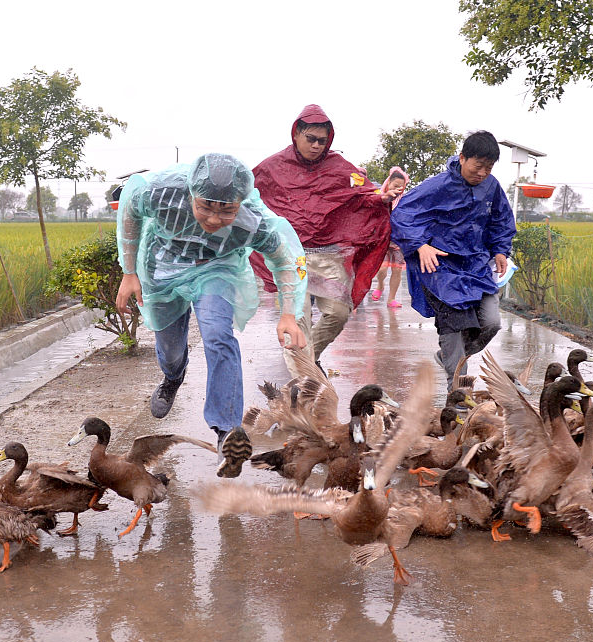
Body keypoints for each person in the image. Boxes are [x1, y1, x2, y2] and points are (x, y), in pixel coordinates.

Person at [115, 153, 308, 477]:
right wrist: (129, 271)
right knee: (171, 350)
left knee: (219, 336)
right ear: (191, 194)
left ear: (240, 203)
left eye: (226, 209)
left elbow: (285, 260)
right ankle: (172, 378)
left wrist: (288, 314)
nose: (215, 219)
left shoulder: (251, 221)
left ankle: (227, 430)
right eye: (205, 206)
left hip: (215, 270)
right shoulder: (161, 194)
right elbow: (130, 210)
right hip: (162, 268)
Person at [251, 104, 399, 374]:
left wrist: (382, 197)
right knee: (298, 320)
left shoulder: (339, 168)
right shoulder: (272, 168)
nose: (317, 146)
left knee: (339, 313)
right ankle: (304, 385)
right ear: (296, 134)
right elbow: (247, 196)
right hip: (289, 256)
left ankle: (308, 359)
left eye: (322, 141)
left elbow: (362, 194)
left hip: (327, 254)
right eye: (311, 139)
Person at [390, 130, 515, 389]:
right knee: (454, 325)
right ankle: (457, 390)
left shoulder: (491, 187)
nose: (482, 173)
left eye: (488, 168)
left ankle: (449, 358)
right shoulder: (437, 186)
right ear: (462, 158)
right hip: (441, 267)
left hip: (476, 265)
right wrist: (420, 245)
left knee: (491, 322)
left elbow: (501, 220)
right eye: (478, 166)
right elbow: (402, 214)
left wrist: (501, 250)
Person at [369, 167, 410, 308]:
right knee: (382, 269)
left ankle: (391, 299)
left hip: (398, 240)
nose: (399, 189)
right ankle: (380, 286)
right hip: (382, 239)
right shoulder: (380, 197)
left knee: (397, 270)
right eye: (395, 186)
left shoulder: (404, 200)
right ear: (388, 183)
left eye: (401, 186)